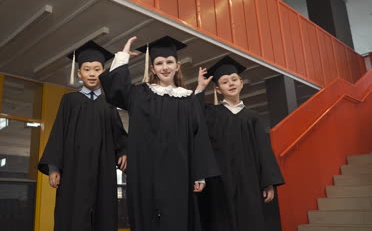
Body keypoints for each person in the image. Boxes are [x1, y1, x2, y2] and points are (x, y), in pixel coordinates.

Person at [99, 36, 219, 231]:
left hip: (178, 173)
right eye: (159, 63)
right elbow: (116, 90)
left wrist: (199, 175)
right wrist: (123, 56)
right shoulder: (139, 95)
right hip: (145, 171)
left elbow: (198, 135)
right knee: (147, 218)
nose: (165, 67)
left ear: (178, 65)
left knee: (176, 219)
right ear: (152, 68)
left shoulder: (187, 99)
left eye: (169, 62)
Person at [38, 41, 128, 231]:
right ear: (79, 73)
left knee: (102, 213)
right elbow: (58, 132)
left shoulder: (109, 104)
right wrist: (54, 167)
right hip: (74, 170)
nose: (92, 73)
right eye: (87, 69)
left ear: (103, 72)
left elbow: (119, 133)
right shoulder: (70, 101)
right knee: (73, 213)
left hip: (102, 169)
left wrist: (124, 151)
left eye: (96, 69)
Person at [195, 56, 285, 231]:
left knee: (250, 220)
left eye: (234, 79)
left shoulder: (253, 117)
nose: (231, 84)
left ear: (241, 83)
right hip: (219, 181)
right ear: (218, 89)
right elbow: (193, 116)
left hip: (249, 181)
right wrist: (200, 88)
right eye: (225, 82)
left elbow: (263, 151)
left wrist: (268, 182)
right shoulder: (211, 114)